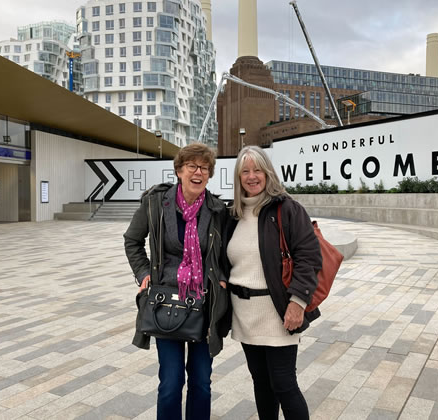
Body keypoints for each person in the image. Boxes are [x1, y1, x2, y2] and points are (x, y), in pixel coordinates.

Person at [124, 143, 229, 420]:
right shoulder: (156, 203)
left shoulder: (217, 210)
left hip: (204, 306)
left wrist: (221, 278)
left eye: (204, 168)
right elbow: (132, 241)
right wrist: (144, 274)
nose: (198, 172)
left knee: (201, 384)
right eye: (192, 166)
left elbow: (226, 253)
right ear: (179, 170)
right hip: (165, 304)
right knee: (171, 384)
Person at [223, 145, 322, 420]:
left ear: (268, 173)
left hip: (278, 312)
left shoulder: (287, 209)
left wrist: (298, 303)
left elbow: (309, 258)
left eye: (257, 170)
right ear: (238, 177)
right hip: (245, 314)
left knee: (284, 384)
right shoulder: (233, 216)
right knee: (261, 384)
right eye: (245, 171)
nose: (252, 176)